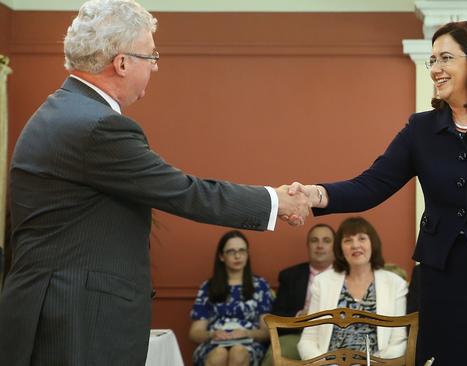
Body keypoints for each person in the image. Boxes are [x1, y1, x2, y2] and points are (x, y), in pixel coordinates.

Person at [0, 1, 309, 365]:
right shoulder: (98, 126)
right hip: (78, 319)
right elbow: (184, 192)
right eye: (151, 55)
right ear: (123, 62)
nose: (156, 65)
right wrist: (275, 201)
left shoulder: (60, 110)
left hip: (55, 309)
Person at [288, 20, 467, 365]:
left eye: (445, 58)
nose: (435, 69)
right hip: (443, 284)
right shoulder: (420, 129)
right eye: (431, 60)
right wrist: (314, 194)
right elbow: (371, 185)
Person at [297, 217, 408, 360]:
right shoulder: (322, 282)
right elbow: (308, 340)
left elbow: (398, 342)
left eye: (362, 238)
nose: (355, 245)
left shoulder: (395, 284)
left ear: (372, 244)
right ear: (340, 249)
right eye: (348, 240)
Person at [189, 231, 274, 366]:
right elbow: (195, 332)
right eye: (231, 251)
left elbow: (266, 331)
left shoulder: (260, 285)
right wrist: (213, 335)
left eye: (242, 250)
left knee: (238, 352)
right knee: (219, 354)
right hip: (214, 344)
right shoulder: (208, 287)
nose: (237, 255)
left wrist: (246, 333)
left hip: (249, 343)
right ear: (222, 256)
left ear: (247, 254)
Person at [260, 223, 335, 365]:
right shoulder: (290, 275)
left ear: (335, 246)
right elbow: (277, 316)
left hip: (333, 335)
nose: (320, 245)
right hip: (297, 334)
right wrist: (300, 317)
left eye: (326, 241)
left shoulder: (346, 275)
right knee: (274, 358)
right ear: (308, 245)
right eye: (314, 240)